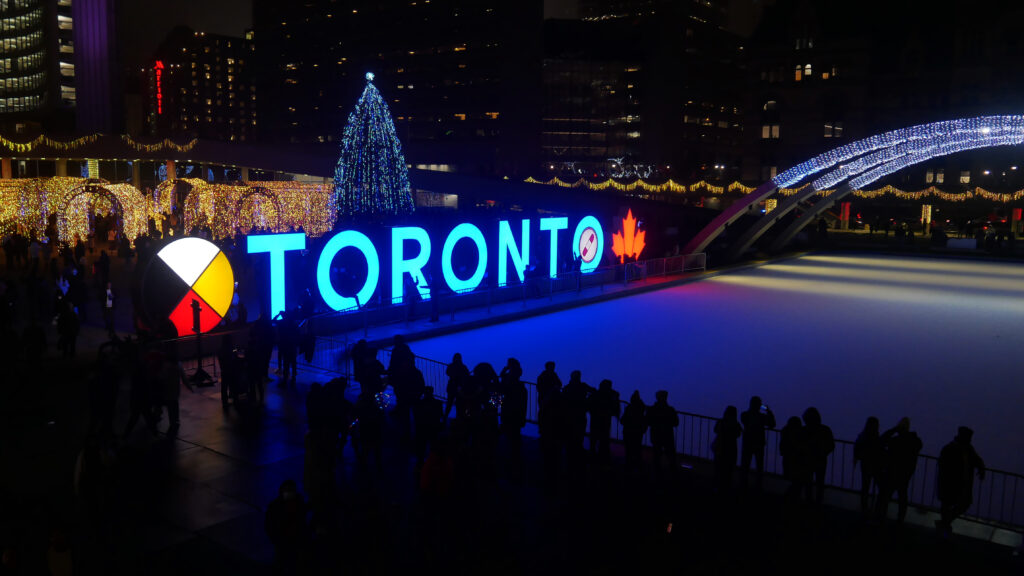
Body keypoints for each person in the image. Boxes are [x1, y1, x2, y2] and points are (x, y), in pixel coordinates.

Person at [937, 426, 985, 534]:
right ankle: (945, 525)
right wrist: (981, 469)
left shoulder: (963, 448)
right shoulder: (958, 449)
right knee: (953, 504)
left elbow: (977, 460)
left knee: (952, 504)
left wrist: (981, 468)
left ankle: (944, 525)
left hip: (956, 484)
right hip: (952, 483)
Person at [875, 417, 922, 523]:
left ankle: (881, 516)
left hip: (892, 472)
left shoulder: (895, 441)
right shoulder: (915, 441)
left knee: (885, 495)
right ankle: (900, 518)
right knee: (902, 496)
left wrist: (894, 429)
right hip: (906, 474)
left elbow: (881, 441)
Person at [265, 480, 309, 573]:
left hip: (291, 540)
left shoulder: (296, 503)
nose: (289, 493)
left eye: (291, 490)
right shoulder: (277, 505)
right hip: (284, 540)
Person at [740, 396, 776, 491]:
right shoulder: (762, 417)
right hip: (759, 444)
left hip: (748, 443)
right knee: (759, 466)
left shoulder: (744, 415)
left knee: (745, 465)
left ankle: (743, 485)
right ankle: (758, 486)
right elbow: (772, 424)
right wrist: (769, 411)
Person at [802, 407, 834, 505]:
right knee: (820, 482)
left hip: (808, 460)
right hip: (821, 460)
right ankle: (818, 502)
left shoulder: (803, 431)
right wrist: (823, 453)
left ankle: (809, 502)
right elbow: (831, 445)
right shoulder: (825, 430)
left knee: (808, 482)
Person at [587, 379, 620, 467]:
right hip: (605, 419)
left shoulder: (595, 394)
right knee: (603, 440)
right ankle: (603, 460)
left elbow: (588, 405)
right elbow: (615, 407)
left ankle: (593, 459)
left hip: (596, 419)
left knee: (594, 439)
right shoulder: (612, 395)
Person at [853, 416, 882, 514]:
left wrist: (857, 458)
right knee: (879, 486)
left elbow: (857, 448)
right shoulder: (876, 437)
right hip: (875, 465)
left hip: (865, 464)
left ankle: (864, 507)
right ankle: (877, 509)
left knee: (865, 486)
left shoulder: (862, 436)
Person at [647, 390, 679, 475]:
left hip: (656, 435)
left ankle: (657, 474)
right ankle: (673, 474)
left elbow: (648, 421)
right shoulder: (670, 410)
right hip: (668, 435)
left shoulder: (652, 409)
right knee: (670, 455)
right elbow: (676, 423)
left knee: (657, 455)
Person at [712, 405, 742, 492]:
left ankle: (717, 487)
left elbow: (715, 430)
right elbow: (738, 434)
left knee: (718, 469)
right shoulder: (736, 424)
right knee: (729, 469)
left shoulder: (721, 422)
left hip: (720, 448)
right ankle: (727, 488)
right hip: (731, 448)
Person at [779, 416, 806, 502]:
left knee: (794, 480)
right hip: (796, 460)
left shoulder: (785, 431)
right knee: (798, 481)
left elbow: (782, 447)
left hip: (788, 459)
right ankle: (792, 498)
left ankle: (790, 498)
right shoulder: (800, 433)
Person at [620, 391, 647, 472]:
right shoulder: (642, 408)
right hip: (638, 432)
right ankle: (638, 467)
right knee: (637, 449)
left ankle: (629, 466)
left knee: (629, 450)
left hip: (628, 432)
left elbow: (623, 420)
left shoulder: (629, 408)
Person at [444, 352, 470, 418]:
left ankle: (445, 418)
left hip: (452, 387)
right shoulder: (463, 367)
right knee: (459, 405)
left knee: (450, 404)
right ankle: (458, 419)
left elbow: (447, 372)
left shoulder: (451, 366)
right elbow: (467, 375)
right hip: (459, 388)